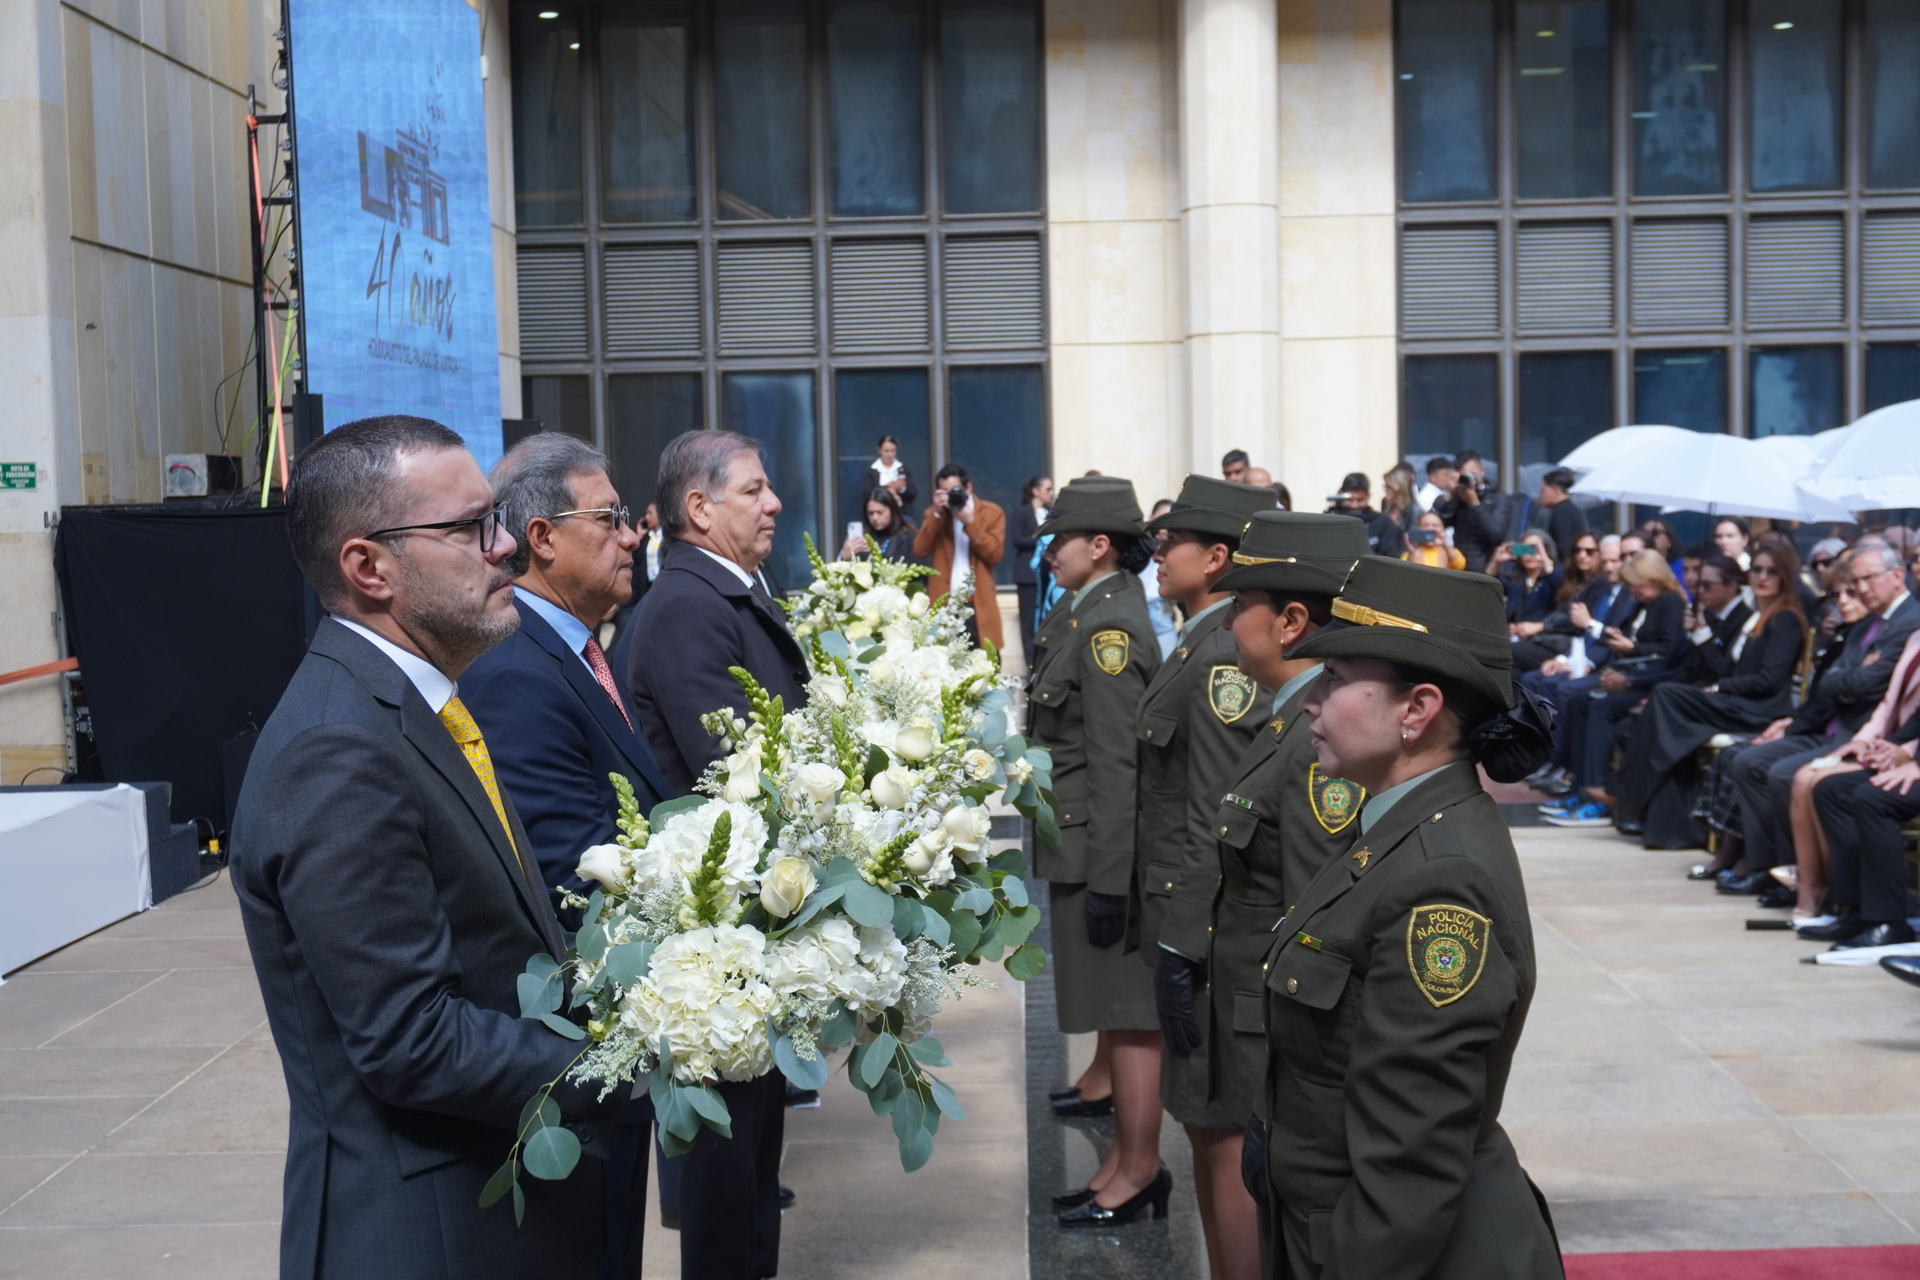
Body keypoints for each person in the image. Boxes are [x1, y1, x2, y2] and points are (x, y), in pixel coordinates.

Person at [230, 416, 630, 1280]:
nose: (505, 550)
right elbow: (411, 1039)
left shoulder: (421, 700)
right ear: (369, 567)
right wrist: (625, 1063)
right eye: (470, 528)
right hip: (433, 1232)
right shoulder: (335, 749)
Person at [1259, 555, 1561, 1279]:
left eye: (1335, 678)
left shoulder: (1440, 880)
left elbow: (1410, 1166)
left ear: (1417, 711)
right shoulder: (1394, 826)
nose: (1311, 700)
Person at [461, 434, 676, 1279]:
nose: (632, 535)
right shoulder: (518, 669)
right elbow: (572, 878)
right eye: (611, 518)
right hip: (576, 1041)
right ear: (543, 537)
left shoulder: (577, 647)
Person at [1156, 510, 1371, 1278]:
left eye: (1242, 603)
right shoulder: (1286, 727)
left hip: (1265, 1013)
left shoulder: (1314, 746)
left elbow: (1317, 917)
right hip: (1238, 992)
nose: (1227, 620)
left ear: (1290, 623)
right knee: (1214, 1146)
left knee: (1243, 1167)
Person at [617, 428, 795, 1280]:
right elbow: (730, 773)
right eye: (754, 491)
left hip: (745, 925)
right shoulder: (691, 605)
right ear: (699, 507)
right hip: (720, 930)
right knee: (727, 1191)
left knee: (751, 1174)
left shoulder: (725, 589)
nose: (774, 504)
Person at [1096, 477, 1280, 1278]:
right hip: (1185, 914)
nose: (1158, 553)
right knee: (1205, 1123)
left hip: (1207, 923)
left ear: (1218, 559)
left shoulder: (1219, 656)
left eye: (1173, 543)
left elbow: (1218, 814)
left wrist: (1187, 942)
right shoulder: (1196, 641)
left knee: (1221, 1126)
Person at [1027, 478, 1168, 1226]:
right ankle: (1122, 1159)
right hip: (1081, 841)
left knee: (1129, 1013)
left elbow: (1118, 764)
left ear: (1101, 545)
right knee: (1112, 1008)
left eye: (1063, 539)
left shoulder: (1110, 628)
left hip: (1101, 850)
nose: (1051, 551)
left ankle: (1138, 1173)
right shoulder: (1088, 608)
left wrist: (1113, 880)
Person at [1716, 543, 1919, 894]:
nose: (1855, 593)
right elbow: (1830, 683)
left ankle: (1820, 885)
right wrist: (1797, 719)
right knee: (1747, 760)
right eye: (1844, 589)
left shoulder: (1907, 621)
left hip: (1862, 735)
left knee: (1793, 776)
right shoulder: (1866, 625)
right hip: (1842, 729)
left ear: (1897, 575)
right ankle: (1775, 869)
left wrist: (1902, 750)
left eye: (1865, 581)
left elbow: (1870, 685)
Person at [1609, 545, 1808, 848]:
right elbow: (1729, 669)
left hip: (1758, 709)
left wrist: (1719, 687)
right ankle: (1665, 821)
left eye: (1772, 571)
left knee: (1665, 697)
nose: (1763, 577)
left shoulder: (1785, 619)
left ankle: (1632, 790)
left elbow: (1768, 681)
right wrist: (1702, 637)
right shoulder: (1759, 617)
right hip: (1736, 701)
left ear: (1784, 578)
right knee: (1665, 726)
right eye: (1757, 569)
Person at [1541, 551, 1687, 827]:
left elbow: (1667, 653)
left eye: (1637, 584)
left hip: (1653, 681)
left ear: (1653, 579)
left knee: (1601, 707)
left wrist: (1631, 650)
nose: (1634, 591)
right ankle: (1582, 785)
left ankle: (1600, 792)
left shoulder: (1670, 603)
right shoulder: (1644, 604)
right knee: (1579, 701)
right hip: (1631, 671)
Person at [913, 462, 1006, 651]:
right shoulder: (936, 515)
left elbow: (994, 556)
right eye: (944, 491)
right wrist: (936, 515)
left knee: (985, 661)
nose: (951, 496)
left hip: (977, 605)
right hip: (945, 606)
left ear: (968, 488)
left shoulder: (991, 513)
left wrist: (971, 523)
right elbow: (920, 550)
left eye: (955, 490)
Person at [1434, 450, 1519, 574]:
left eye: (1471, 474)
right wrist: (1449, 495)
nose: (1469, 480)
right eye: (1464, 476)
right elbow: (1433, 523)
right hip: (1457, 568)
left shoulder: (1499, 498)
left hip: (1486, 572)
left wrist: (1474, 503)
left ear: (1482, 470)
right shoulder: (1457, 497)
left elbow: (1495, 534)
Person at [1010, 475, 1054, 666]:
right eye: (1048, 489)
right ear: (1035, 491)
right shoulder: (1023, 512)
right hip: (1028, 574)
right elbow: (1017, 539)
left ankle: (1046, 663)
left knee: (1048, 618)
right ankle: (1032, 665)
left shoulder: (1050, 513)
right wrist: (1041, 540)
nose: (1051, 493)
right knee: (1028, 621)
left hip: (1048, 574)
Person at [1141, 499, 1183, 658]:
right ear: (1151, 518)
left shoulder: (1178, 551)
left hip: (1162, 616)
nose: (1165, 528)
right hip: (1139, 613)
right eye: (1161, 520)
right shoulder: (1141, 546)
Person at [1330, 472, 1402, 559]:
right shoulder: (1330, 521)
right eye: (1349, 500)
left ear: (1368, 496)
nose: (1354, 505)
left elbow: (1390, 557)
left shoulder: (1382, 523)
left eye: (1360, 500)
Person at [839, 487, 916, 562]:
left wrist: (878, 555)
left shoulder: (908, 537)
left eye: (880, 513)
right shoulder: (862, 536)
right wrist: (844, 557)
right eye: (870, 513)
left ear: (892, 511)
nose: (875, 518)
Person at [1535, 468, 1589, 562]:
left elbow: (1564, 548)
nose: (1540, 495)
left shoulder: (1561, 512)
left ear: (1556, 491)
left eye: (1543, 491)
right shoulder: (1571, 509)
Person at [863, 433, 917, 510]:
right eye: (886, 451)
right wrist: (887, 487)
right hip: (879, 510)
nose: (890, 455)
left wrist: (902, 488)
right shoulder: (872, 470)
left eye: (893, 451)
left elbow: (913, 493)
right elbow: (866, 493)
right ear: (879, 450)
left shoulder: (903, 469)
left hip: (901, 511)